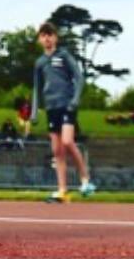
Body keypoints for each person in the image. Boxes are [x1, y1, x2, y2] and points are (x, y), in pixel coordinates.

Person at [30, 21, 96, 202]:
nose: (47, 39)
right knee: (57, 150)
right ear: (39, 39)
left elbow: (79, 77)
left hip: (67, 104)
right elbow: (36, 88)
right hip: (51, 107)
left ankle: (85, 180)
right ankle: (62, 190)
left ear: (56, 38)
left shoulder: (64, 56)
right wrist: (34, 112)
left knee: (67, 142)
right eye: (43, 35)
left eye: (50, 35)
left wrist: (75, 100)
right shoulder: (40, 63)